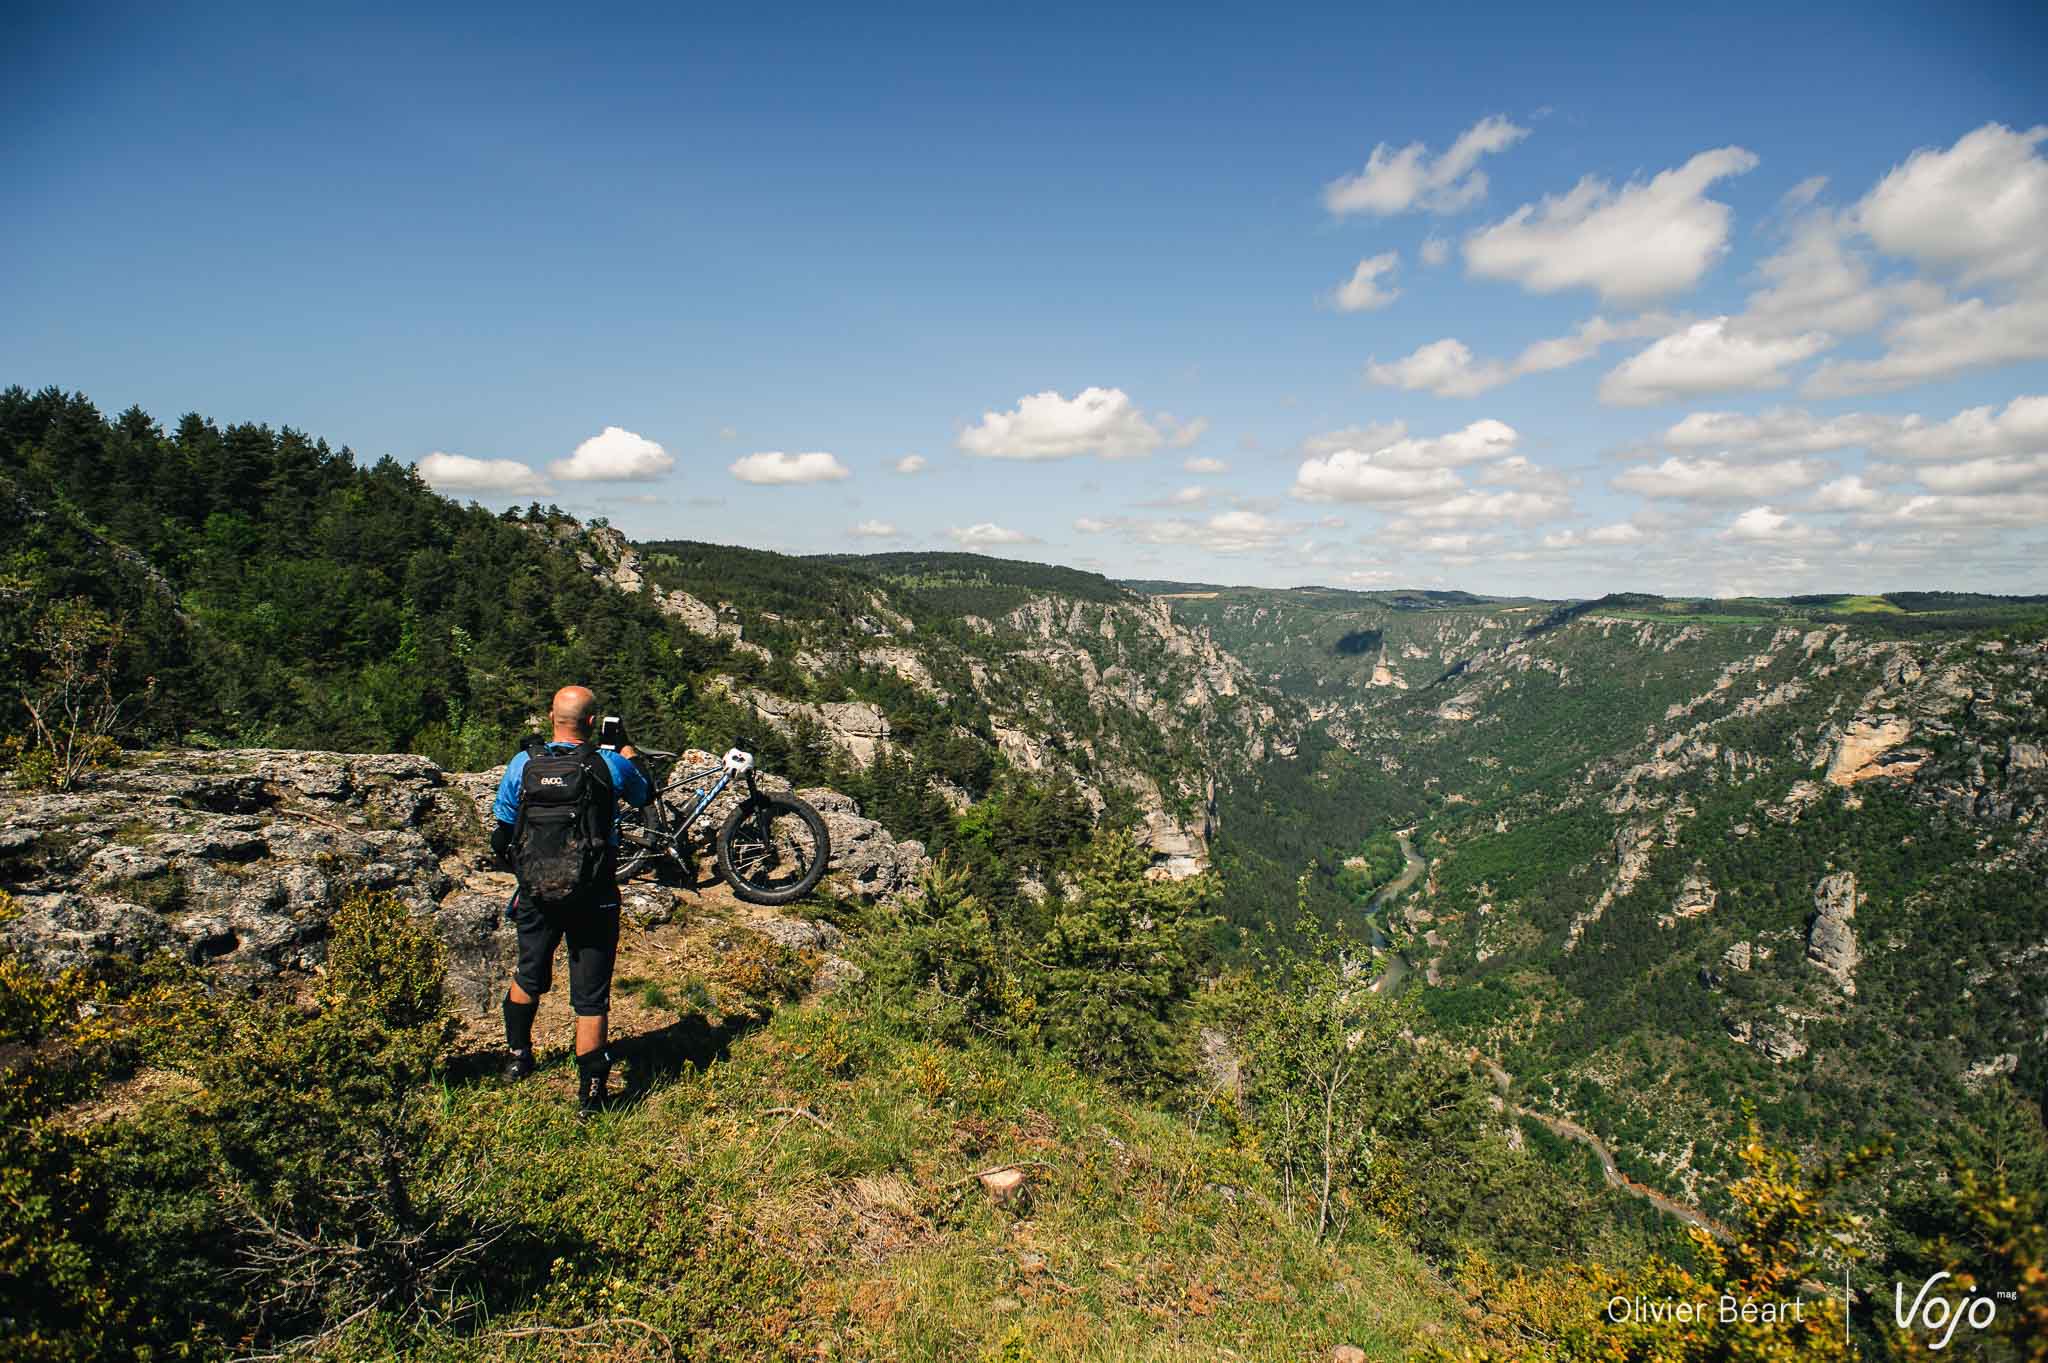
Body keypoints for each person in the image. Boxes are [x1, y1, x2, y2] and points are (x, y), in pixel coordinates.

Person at [491, 685, 653, 1114]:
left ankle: (517, 1057)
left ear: (551, 718)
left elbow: (503, 829)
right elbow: (644, 795)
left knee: (529, 974)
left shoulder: (522, 763)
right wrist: (628, 754)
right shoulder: (610, 764)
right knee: (591, 996)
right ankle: (592, 1097)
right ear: (592, 723)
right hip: (594, 894)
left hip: (536, 891)